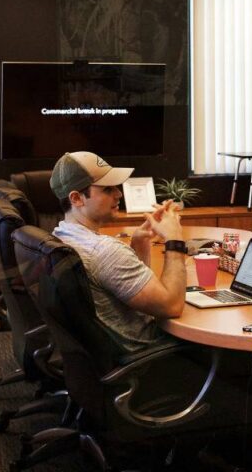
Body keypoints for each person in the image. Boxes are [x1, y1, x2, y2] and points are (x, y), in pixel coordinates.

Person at [50, 151, 188, 353]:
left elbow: (129, 290)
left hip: (102, 358)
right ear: (77, 198)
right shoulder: (104, 251)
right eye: (107, 189)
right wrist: (174, 240)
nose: (119, 194)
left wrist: (139, 243)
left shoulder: (60, 234)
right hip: (151, 356)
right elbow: (171, 306)